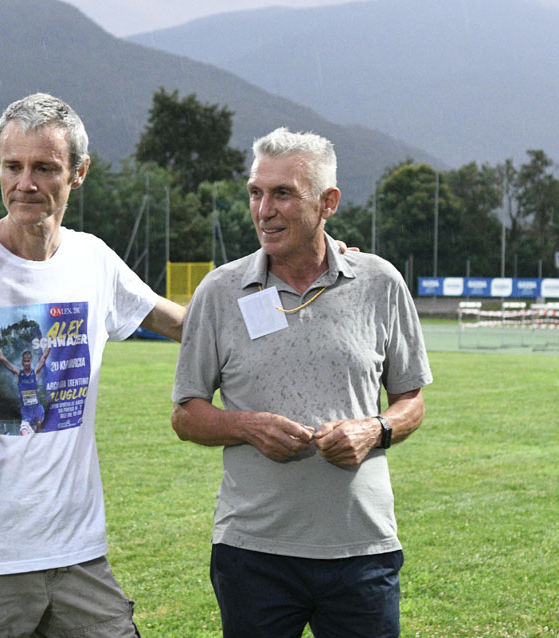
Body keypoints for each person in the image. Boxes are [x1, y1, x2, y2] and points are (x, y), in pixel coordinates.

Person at [0, 93, 184, 637]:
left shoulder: (94, 259)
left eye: (45, 168)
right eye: (12, 166)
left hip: (77, 556)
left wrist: (279, 285)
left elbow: (186, 324)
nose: (25, 183)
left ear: (78, 173)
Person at [171, 127, 433, 638]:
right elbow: (186, 414)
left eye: (283, 193)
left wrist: (373, 430)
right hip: (253, 554)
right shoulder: (220, 291)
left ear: (327, 202)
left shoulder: (380, 282)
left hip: (361, 549)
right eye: (256, 192)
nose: (264, 209)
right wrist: (247, 426)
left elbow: (412, 400)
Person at [0, 332, 52, 434]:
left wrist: (50, 342)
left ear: (30, 361)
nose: (26, 363)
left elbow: (44, 357)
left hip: (37, 409)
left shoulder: (35, 372)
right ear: (22, 361)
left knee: (39, 431)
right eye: (25, 361)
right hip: (26, 412)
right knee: (23, 433)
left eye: (28, 361)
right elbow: (2, 359)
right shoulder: (18, 373)